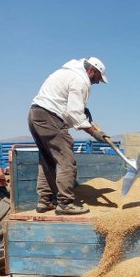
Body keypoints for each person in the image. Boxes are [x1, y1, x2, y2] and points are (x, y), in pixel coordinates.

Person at [28, 57, 110, 215]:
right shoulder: (81, 80)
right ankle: (65, 203)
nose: (98, 82)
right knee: (66, 160)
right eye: (98, 78)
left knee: (47, 159)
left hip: (35, 114)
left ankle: (44, 201)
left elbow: (69, 108)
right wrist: (95, 133)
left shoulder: (66, 72)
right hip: (49, 117)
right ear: (91, 71)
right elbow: (75, 114)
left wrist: (83, 115)